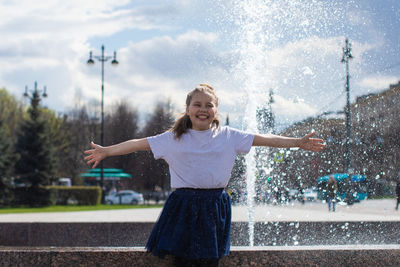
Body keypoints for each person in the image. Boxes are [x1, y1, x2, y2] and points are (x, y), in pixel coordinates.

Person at [84, 84, 325, 267]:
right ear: (188, 109)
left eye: (209, 105)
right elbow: (137, 144)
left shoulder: (229, 135)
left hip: (214, 205)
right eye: (197, 104)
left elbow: (265, 140)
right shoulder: (173, 138)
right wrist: (107, 151)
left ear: (216, 110)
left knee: (209, 262)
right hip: (183, 206)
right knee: (180, 261)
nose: (203, 109)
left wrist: (297, 142)